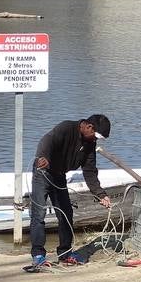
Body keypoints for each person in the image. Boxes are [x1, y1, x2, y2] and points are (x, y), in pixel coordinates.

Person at [26, 114, 112, 271]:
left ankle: (65, 253)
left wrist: (101, 194)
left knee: (66, 213)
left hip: (59, 175)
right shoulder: (66, 128)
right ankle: (38, 255)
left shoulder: (89, 145)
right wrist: (43, 157)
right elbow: (47, 141)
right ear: (88, 127)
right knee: (38, 214)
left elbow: (90, 172)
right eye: (96, 136)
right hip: (42, 172)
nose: (95, 140)